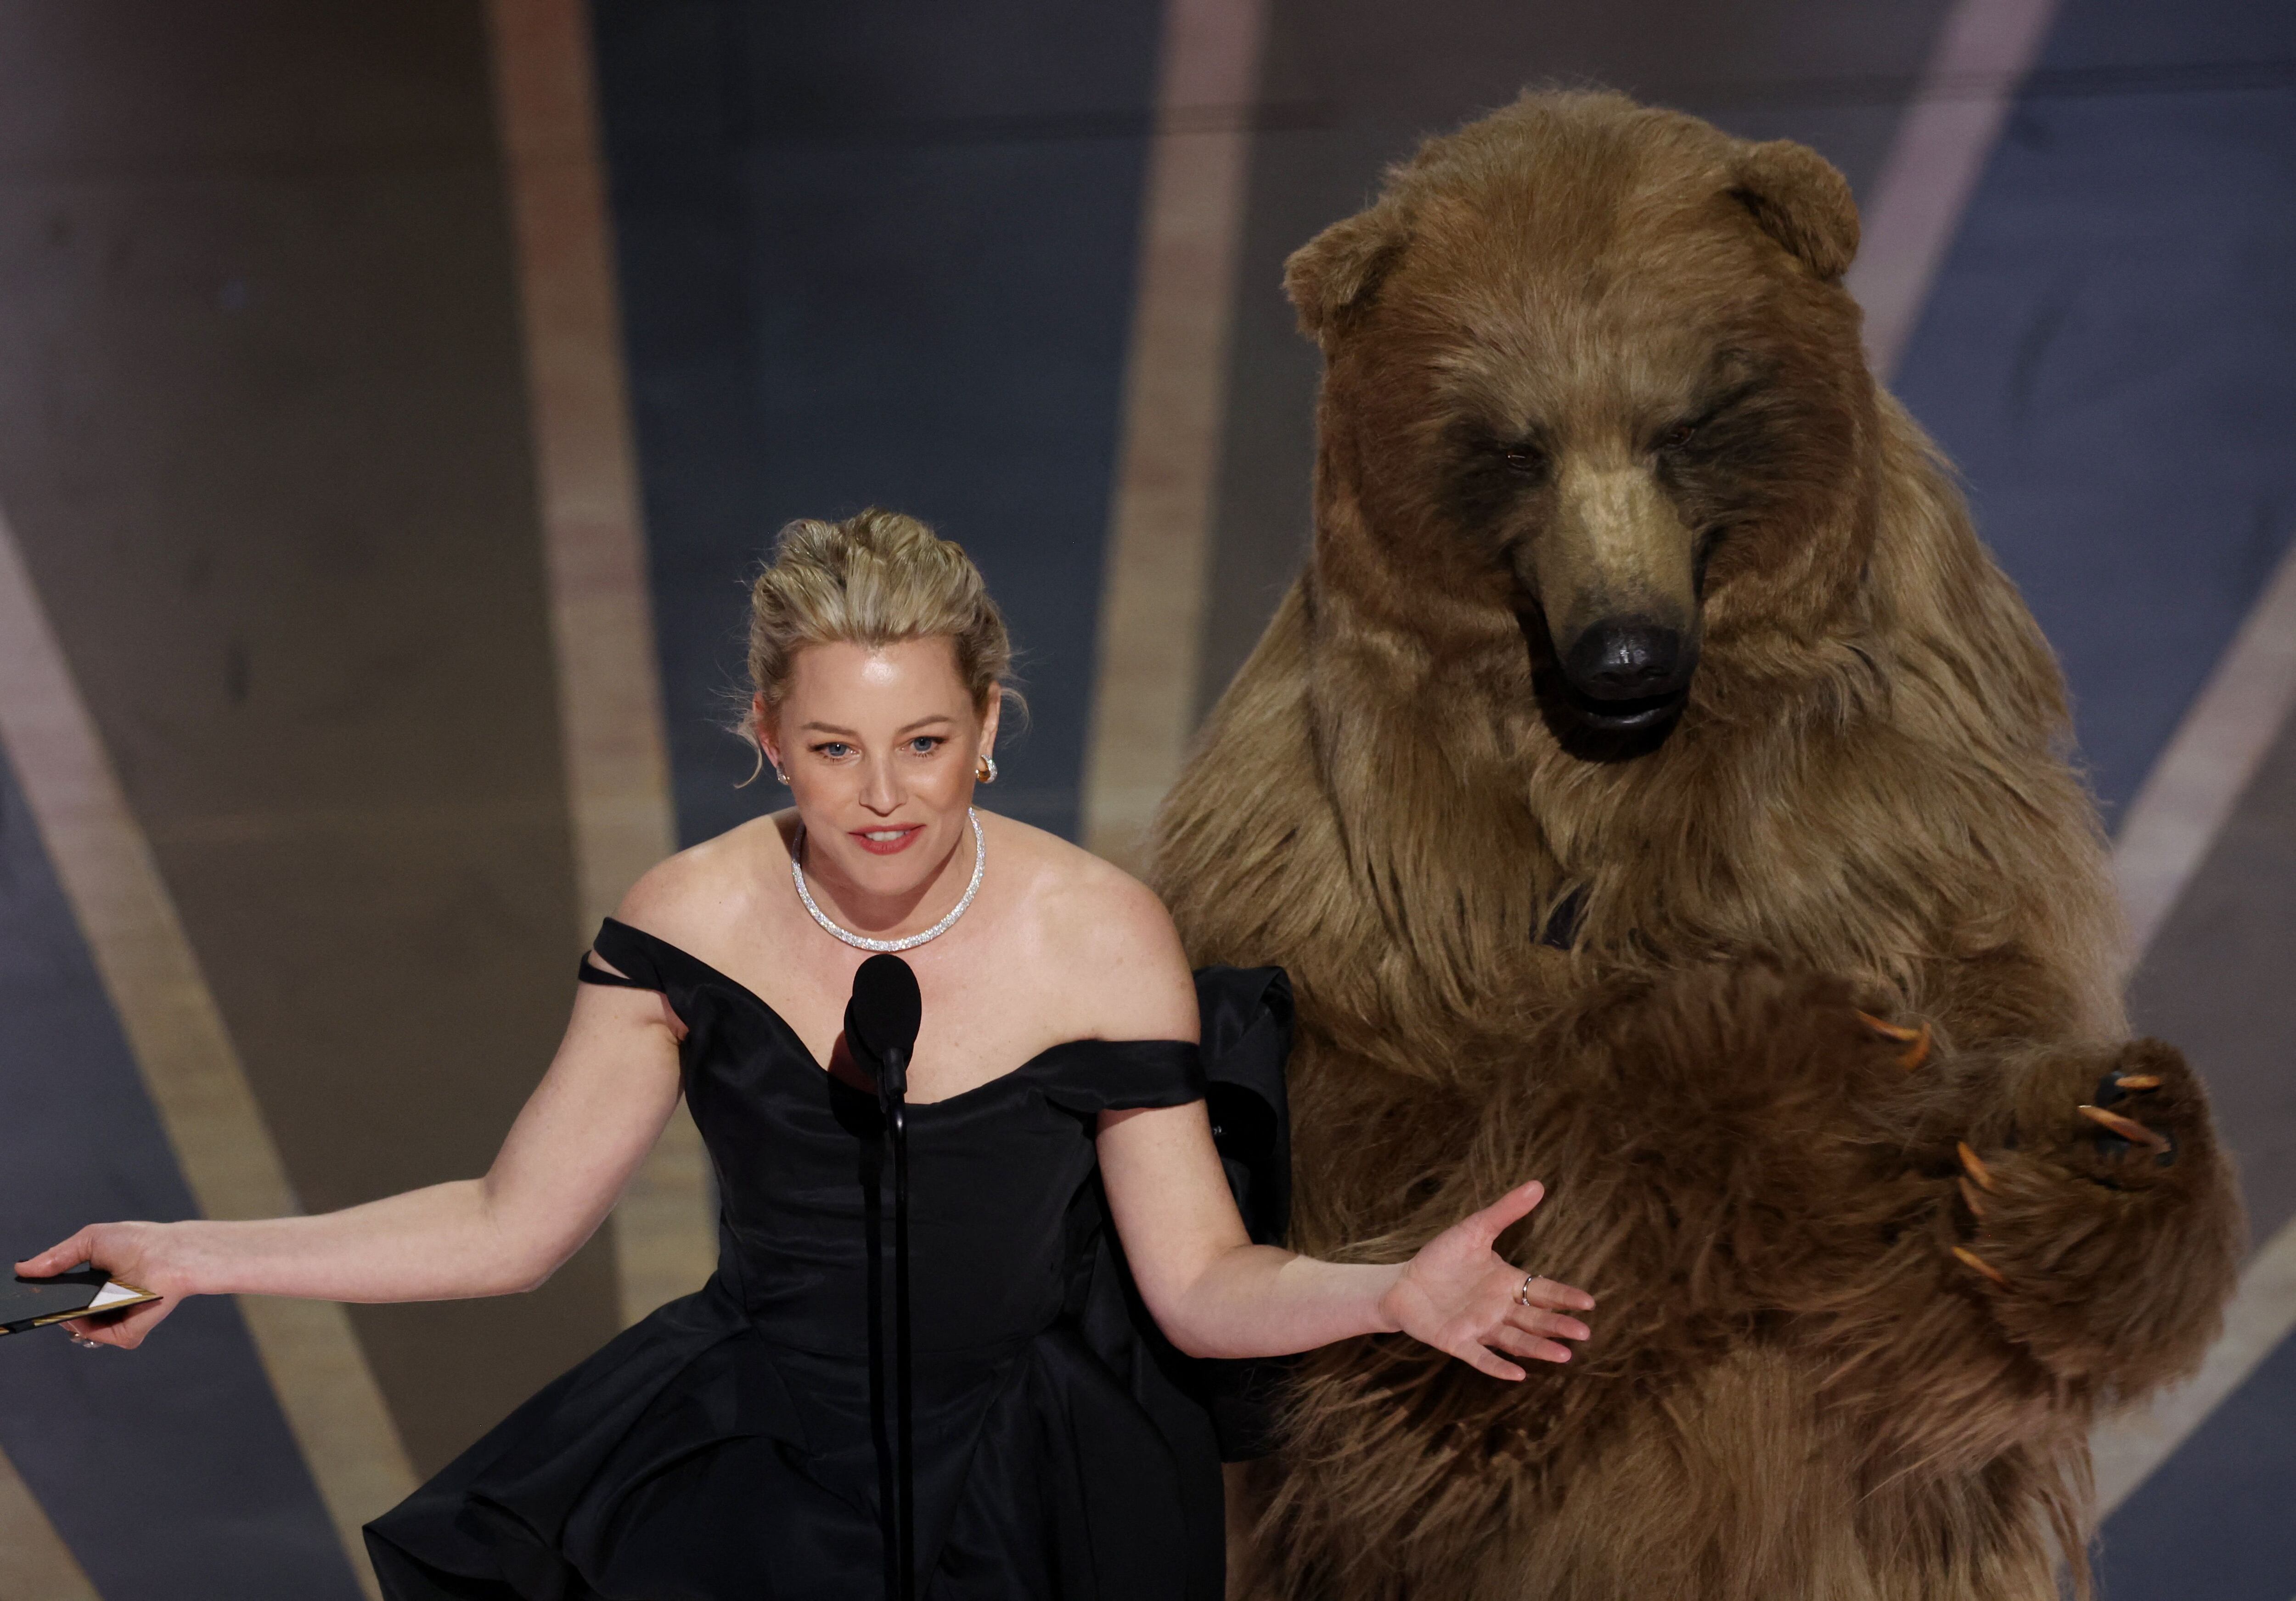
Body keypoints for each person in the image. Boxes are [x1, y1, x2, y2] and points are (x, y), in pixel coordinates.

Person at [16, 509, 1595, 1600]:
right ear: (767, 735)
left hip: (1040, 1490)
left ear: (990, 723)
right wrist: (194, 1257)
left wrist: (1386, 1290)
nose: (885, 796)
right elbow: (514, 1227)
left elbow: (1197, 1282)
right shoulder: (686, 920)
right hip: (762, 1469)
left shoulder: (1103, 933)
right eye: (834, 749)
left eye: (924, 743)